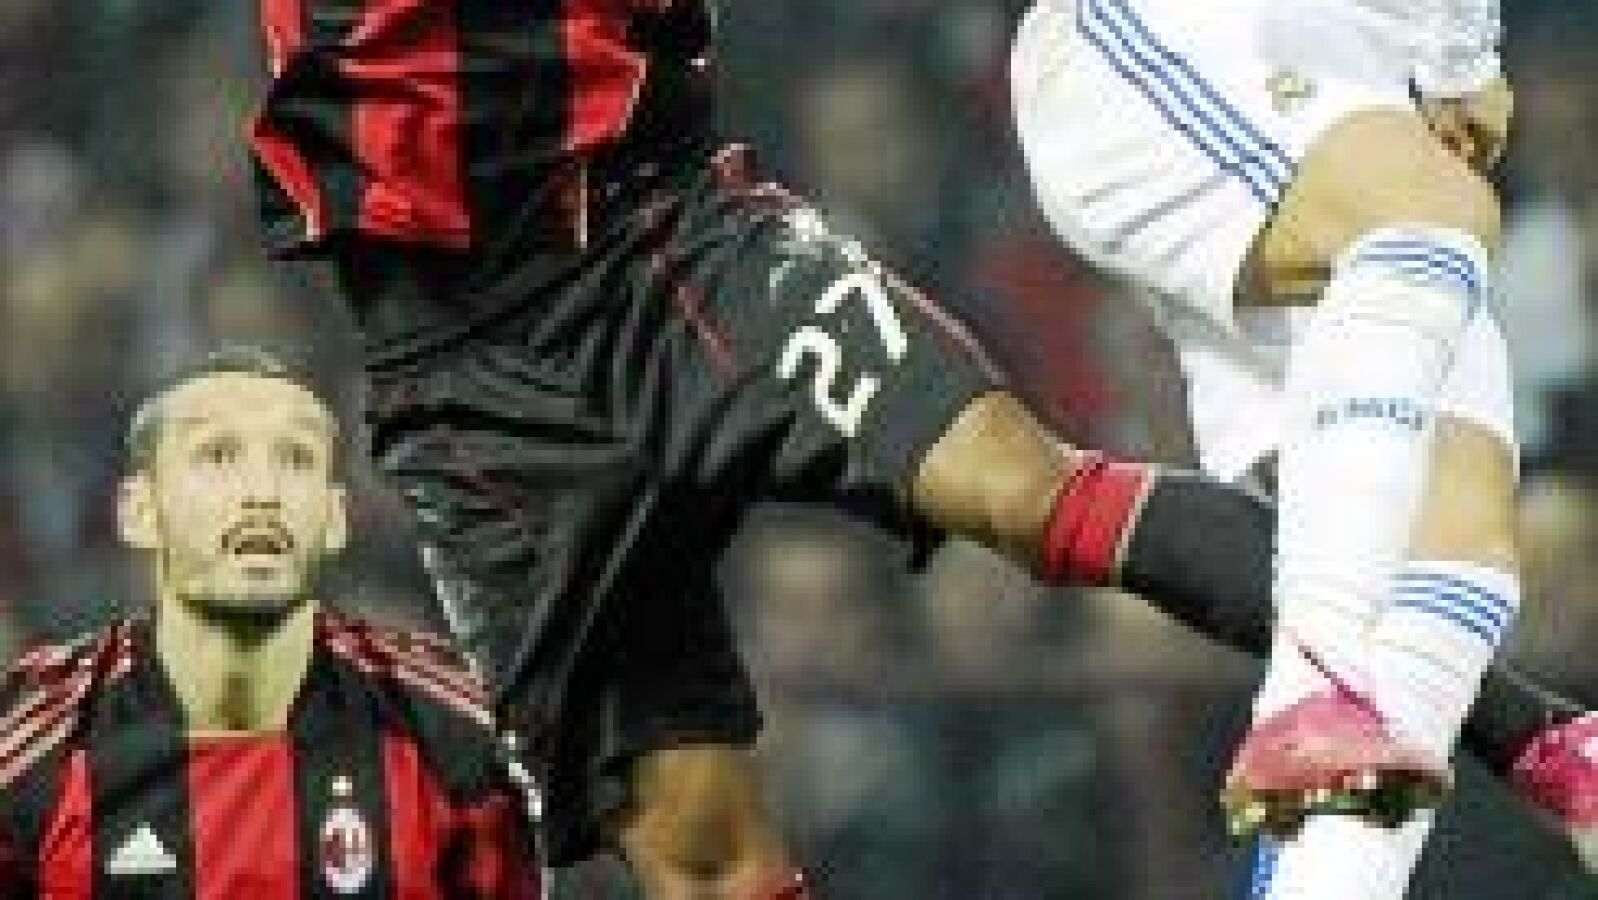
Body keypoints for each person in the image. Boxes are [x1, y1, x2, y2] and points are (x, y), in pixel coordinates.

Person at [246, 3, 1598, 897]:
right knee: (703, 859)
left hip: (669, 241)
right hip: (459, 375)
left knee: (1026, 493)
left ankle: (1528, 732)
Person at [1009, 0, 1570, 894]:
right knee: (1427, 214)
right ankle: (1314, 684)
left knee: (1454, 544)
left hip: (1346, 83)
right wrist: (1463, 58)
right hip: (1181, 40)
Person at [0, 346, 542, 898]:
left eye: (296, 458)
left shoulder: (458, 731)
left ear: (335, 519)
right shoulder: (32, 741)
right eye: (217, 455)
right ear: (139, 511)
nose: (262, 494)